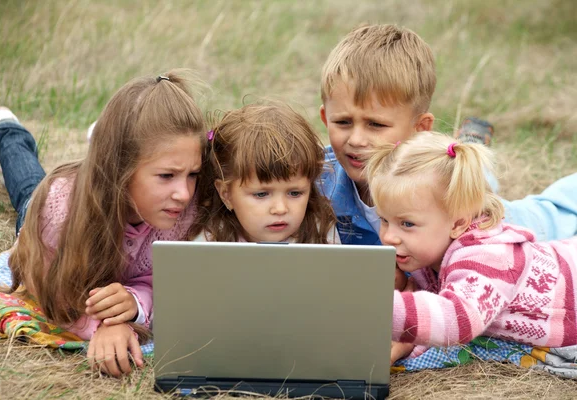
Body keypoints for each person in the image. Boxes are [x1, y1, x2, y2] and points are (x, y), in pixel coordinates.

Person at [0, 70, 206, 377]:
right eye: (167, 175)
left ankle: (100, 139)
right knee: (28, 188)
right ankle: (7, 131)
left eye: (193, 174)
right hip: (43, 214)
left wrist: (134, 304)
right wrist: (104, 326)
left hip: (109, 177)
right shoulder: (58, 210)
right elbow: (55, 292)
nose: (184, 193)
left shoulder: (182, 211)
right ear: (119, 169)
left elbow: (165, 280)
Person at [318, 23, 577, 245]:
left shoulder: (451, 197)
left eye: (375, 125)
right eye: (342, 122)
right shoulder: (314, 179)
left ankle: (470, 146)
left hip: (467, 186)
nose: (356, 140)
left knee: (483, 179)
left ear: (420, 128)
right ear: (324, 118)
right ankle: (468, 142)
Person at [366, 131, 577, 351]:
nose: (388, 236)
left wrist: (380, 305)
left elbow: (458, 320)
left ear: (457, 224)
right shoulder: (429, 250)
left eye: (407, 224)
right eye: (384, 219)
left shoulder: (489, 258)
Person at [187, 102, 339, 244]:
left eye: (295, 193)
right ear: (226, 194)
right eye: (261, 194)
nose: (280, 209)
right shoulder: (210, 243)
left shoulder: (321, 233)